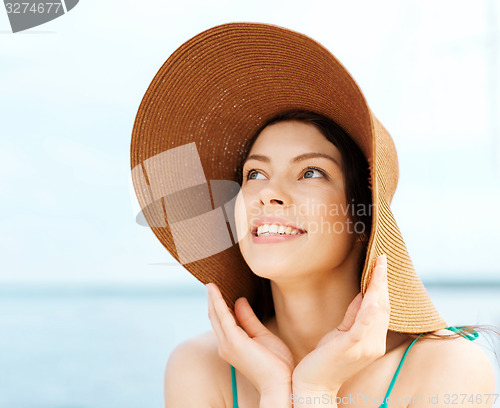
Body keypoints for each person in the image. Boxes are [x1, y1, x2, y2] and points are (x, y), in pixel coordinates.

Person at [130, 23, 497, 408]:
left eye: (311, 172)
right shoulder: (201, 368)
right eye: (255, 173)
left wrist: (315, 393)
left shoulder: (446, 368)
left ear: (363, 216)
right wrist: (275, 390)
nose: (267, 193)